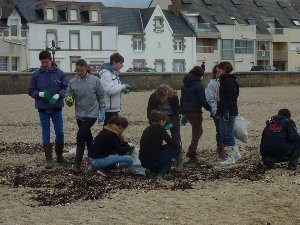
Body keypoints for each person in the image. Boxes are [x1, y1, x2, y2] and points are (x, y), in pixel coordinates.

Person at [28, 50, 69, 169]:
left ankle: (60, 157)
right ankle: (49, 159)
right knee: (46, 133)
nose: (44, 64)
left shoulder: (60, 73)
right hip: (43, 108)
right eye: (42, 62)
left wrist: (58, 95)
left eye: (46, 62)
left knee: (60, 133)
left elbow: (66, 87)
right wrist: (40, 94)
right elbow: (31, 90)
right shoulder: (36, 75)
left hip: (56, 108)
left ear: (51, 60)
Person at [65, 59, 106, 173]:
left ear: (86, 68)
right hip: (79, 114)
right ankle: (93, 160)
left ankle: (77, 164)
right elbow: (69, 100)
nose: (79, 72)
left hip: (92, 113)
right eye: (77, 70)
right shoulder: (72, 82)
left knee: (80, 135)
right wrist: (68, 100)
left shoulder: (95, 80)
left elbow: (101, 95)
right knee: (88, 137)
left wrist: (102, 109)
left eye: (81, 70)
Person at [147, 84, 183, 170]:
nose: (163, 101)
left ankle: (179, 162)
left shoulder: (173, 96)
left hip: (172, 117)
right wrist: (153, 125)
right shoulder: (153, 97)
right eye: (161, 99)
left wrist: (171, 124)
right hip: (159, 118)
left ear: (167, 94)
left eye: (164, 99)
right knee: (157, 137)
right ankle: (161, 157)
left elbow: (176, 112)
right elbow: (150, 112)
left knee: (176, 138)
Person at [180, 66, 212, 163]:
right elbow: (202, 100)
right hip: (195, 112)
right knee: (196, 133)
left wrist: (182, 111)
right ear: (199, 75)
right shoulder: (199, 85)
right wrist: (210, 109)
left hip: (186, 111)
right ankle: (192, 154)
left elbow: (182, 99)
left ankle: (191, 150)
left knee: (198, 131)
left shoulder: (184, 85)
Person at [139, 110, 181, 175]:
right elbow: (173, 144)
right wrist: (178, 143)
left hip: (143, 163)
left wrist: (167, 146)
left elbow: (156, 147)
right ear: (161, 121)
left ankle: (166, 168)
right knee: (177, 148)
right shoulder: (160, 129)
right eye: (165, 122)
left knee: (169, 148)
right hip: (154, 164)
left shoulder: (147, 129)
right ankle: (178, 167)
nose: (165, 125)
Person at [216, 61, 242, 165]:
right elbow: (221, 98)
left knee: (228, 134)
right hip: (223, 111)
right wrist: (219, 111)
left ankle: (231, 158)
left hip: (229, 112)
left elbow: (232, 98)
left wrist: (226, 110)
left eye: (220, 69)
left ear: (225, 70)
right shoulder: (222, 80)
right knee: (225, 133)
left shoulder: (230, 81)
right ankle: (237, 155)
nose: (217, 71)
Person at [99, 53, 134, 126]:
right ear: (114, 62)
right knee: (110, 129)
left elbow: (115, 87)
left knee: (111, 129)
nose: (122, 65)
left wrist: (122, 90)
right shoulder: (106, 74)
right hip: (109, 109)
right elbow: (109, 90)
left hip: (113, 108)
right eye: (120, 63)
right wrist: (123, 87)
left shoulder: (113, 73)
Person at [206, 64, 227, 159]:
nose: (218, 73)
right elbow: (210, 99)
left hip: (225, 110)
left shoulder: (225, 82)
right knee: (220, 130)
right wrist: (215, 111)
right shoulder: (212, 84)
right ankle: (221, 150)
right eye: (217, 71)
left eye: (220, 71)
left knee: (226, 130)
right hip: (217, 111)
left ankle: (224, 148)